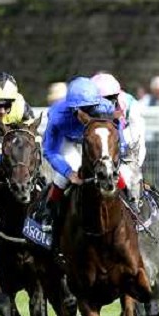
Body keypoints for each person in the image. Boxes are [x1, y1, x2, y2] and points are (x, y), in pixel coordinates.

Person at [92, 72, 159, 226]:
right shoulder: (87, 105)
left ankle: (135, 212)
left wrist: (130, 166)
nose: (104, 104)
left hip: (128, 146)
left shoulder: (131, 106)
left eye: (109, 99)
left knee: (129, 174)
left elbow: (136, 142)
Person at [37, 77, 115, 246]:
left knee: (116, 171)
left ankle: (131, 202)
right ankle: (48, 213)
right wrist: (68, 173)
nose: (84, 114)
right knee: (66, 172)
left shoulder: (107, 109)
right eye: (80, 109)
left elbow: (117, 138)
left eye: (89, 109)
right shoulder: (57, 116)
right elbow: (50, 150)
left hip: (93, 141)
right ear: (71, 107)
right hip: (70, 142)